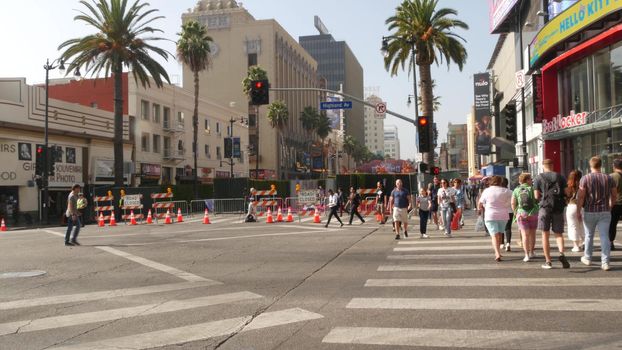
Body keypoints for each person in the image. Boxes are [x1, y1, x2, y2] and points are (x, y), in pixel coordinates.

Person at [577, 156, 616, 271]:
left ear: (590, 166)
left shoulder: (585, 178)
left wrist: (578, 210)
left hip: (590, 211)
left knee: (589, 235)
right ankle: (605, 263)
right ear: (601, 165)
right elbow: (614, 195)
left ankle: (588, 258)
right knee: (605, 236)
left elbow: (581, 197)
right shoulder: (609, 178)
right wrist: (610, 205)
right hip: (605, 211)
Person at [534, 159, 569, 269]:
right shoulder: (561, 177)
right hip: (558, 207)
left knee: (545, 235)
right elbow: (567, 192)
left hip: (545, 207)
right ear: (552, 165)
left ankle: (548, 261)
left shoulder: (538, 178)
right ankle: (561, 254)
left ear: (543, 166)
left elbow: (536, 196)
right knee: (558, 233)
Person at [478, 176, 513, 262]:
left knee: (494, 235)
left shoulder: (486, 191)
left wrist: (480, 209)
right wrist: (506, 205)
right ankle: (499, 252)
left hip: (490, 215)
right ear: (501, 182)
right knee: (500, 234)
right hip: (503, 215)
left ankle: (497, 253)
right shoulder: (506, 191)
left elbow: (480, 202)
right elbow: (513, 200)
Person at [512, 173, 539, 262]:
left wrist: (515, 212)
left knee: (524, 235)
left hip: (521, 214)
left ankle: (526, 255)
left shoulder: (516, 190)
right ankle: (532, 252)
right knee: (532, 234)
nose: (531, 181)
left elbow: (513, 203)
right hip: (533, 213)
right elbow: (537, 198)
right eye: (530, 179)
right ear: (527, 180)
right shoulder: (532, 188)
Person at [565, 170, 584, 252]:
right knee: (582, 225)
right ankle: (584, 243)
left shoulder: (568, 186)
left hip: (571, 207)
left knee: (573, 226)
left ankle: (576, 246)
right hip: (582, 207)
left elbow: (565, 197)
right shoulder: (583, 185)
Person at [609, 159, 622, 250]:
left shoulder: (612, 176)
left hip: (616, 203)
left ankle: (610, 243)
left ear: (614, 166)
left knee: (612, 224)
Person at [501, 177, 513, 251]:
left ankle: (502, 243)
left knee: (501, 228)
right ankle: (508, 243)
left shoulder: (499, 192)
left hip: (501, 212)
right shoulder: (511, 192)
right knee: (508, 228)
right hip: (510, 211)